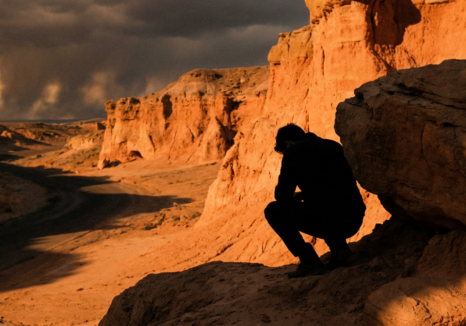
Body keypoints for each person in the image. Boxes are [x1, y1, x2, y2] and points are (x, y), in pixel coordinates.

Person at [264, 123, 366, 278]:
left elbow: (282, 196)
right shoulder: (333, 145)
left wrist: (296, 197)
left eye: (283, 151)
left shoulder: (293, 152)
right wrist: (305, 194)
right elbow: (333, 186)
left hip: (331, 221)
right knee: (325, 204)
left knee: (273, 210)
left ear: (287, 143)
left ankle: (309, 262)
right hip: (354, 218)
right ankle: (340, 249)